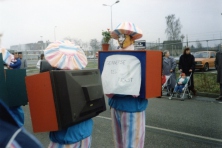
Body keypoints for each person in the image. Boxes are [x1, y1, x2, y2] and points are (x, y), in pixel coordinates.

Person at [108, 22, 148, 148]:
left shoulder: (140, 57)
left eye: (124, 36)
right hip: (115, 104)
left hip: (132, 106)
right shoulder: (112, 56)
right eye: (119, 37)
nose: (121, 39)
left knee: (132, 144)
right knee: (119, 142)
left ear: (131, 39)